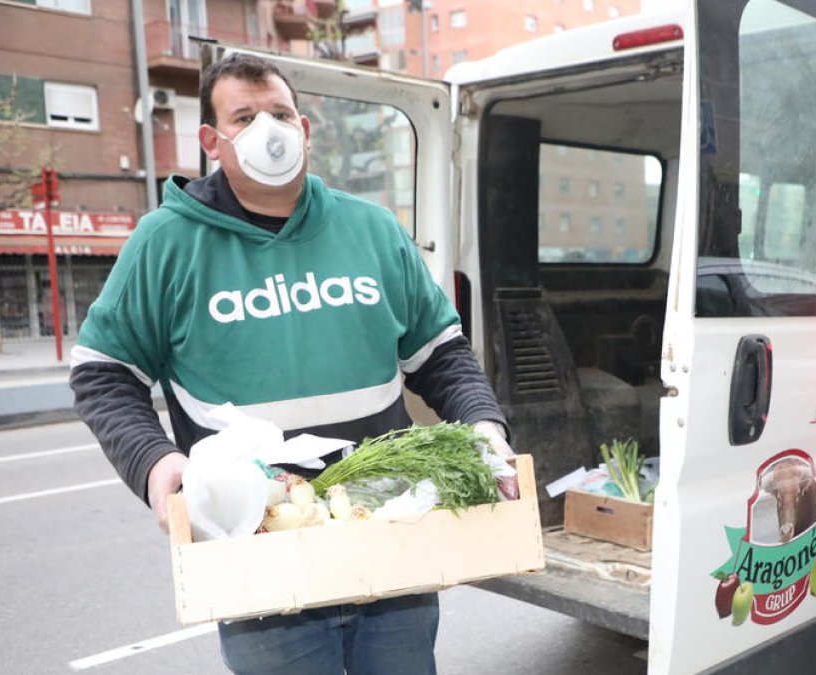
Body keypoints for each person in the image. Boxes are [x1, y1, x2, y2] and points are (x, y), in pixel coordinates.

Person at [69, 53, 514, 675]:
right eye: (244, 117)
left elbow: (440, 354)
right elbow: (102, 373)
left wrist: (483, 427)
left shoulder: (373, 230)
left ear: (304, 130)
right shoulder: (167, 242)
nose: (267, 130)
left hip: (391, 529)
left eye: (279, 113)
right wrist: (156, 463)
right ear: (211, 141)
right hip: (259, 553)